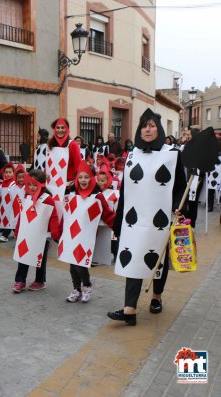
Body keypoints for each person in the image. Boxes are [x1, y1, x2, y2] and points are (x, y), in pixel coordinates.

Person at [107, 109, 187, 326]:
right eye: (144, 125)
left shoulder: (173, 153)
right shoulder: (132, 155)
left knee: (158, 259)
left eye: (152, 125)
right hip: (134, 219)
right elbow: (125, 190)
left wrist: (181, 208)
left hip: (159, 220)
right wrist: (118, 220)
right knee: (132, 258)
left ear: (159, 129)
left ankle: (156, 296)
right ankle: (129, 310)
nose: (148, 129)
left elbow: (181, 185)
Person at [59, 163, 115, 303]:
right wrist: (59, 232)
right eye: (80, 177)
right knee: (72, 264)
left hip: (86, 236)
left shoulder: (98, 196)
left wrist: (119, 228)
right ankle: (76, 289)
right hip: (70, 235)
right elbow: (65, 214)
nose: (83, 180)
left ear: (92, 178)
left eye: (86, 177)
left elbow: (108, 215)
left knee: (80, 264)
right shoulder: (71, 194)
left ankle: (87, 286)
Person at [11, 169, 60, 293]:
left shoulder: (47, 199)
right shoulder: (26, 197)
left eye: (35, 184)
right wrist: (17, 231)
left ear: (42, 184)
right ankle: (20, 280)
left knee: (40, 259)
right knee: (23, 257)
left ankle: (39, 281)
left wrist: (55, 233)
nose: (32, 187)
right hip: (26, 233)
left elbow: (53, 217)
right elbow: (22, 216)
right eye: (30, 184)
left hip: (44, 235)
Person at [45, 118, 83, 215]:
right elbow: (47, 166)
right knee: (52, 215)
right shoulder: (50, 145)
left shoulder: (73, 145)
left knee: (64, 215)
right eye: (57, 128)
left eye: (63, 128)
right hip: (51, 186)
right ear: (54, 129)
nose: (60, 130)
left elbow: (79, 166)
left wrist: (76, 184)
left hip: (66, 187)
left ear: (67, 129)